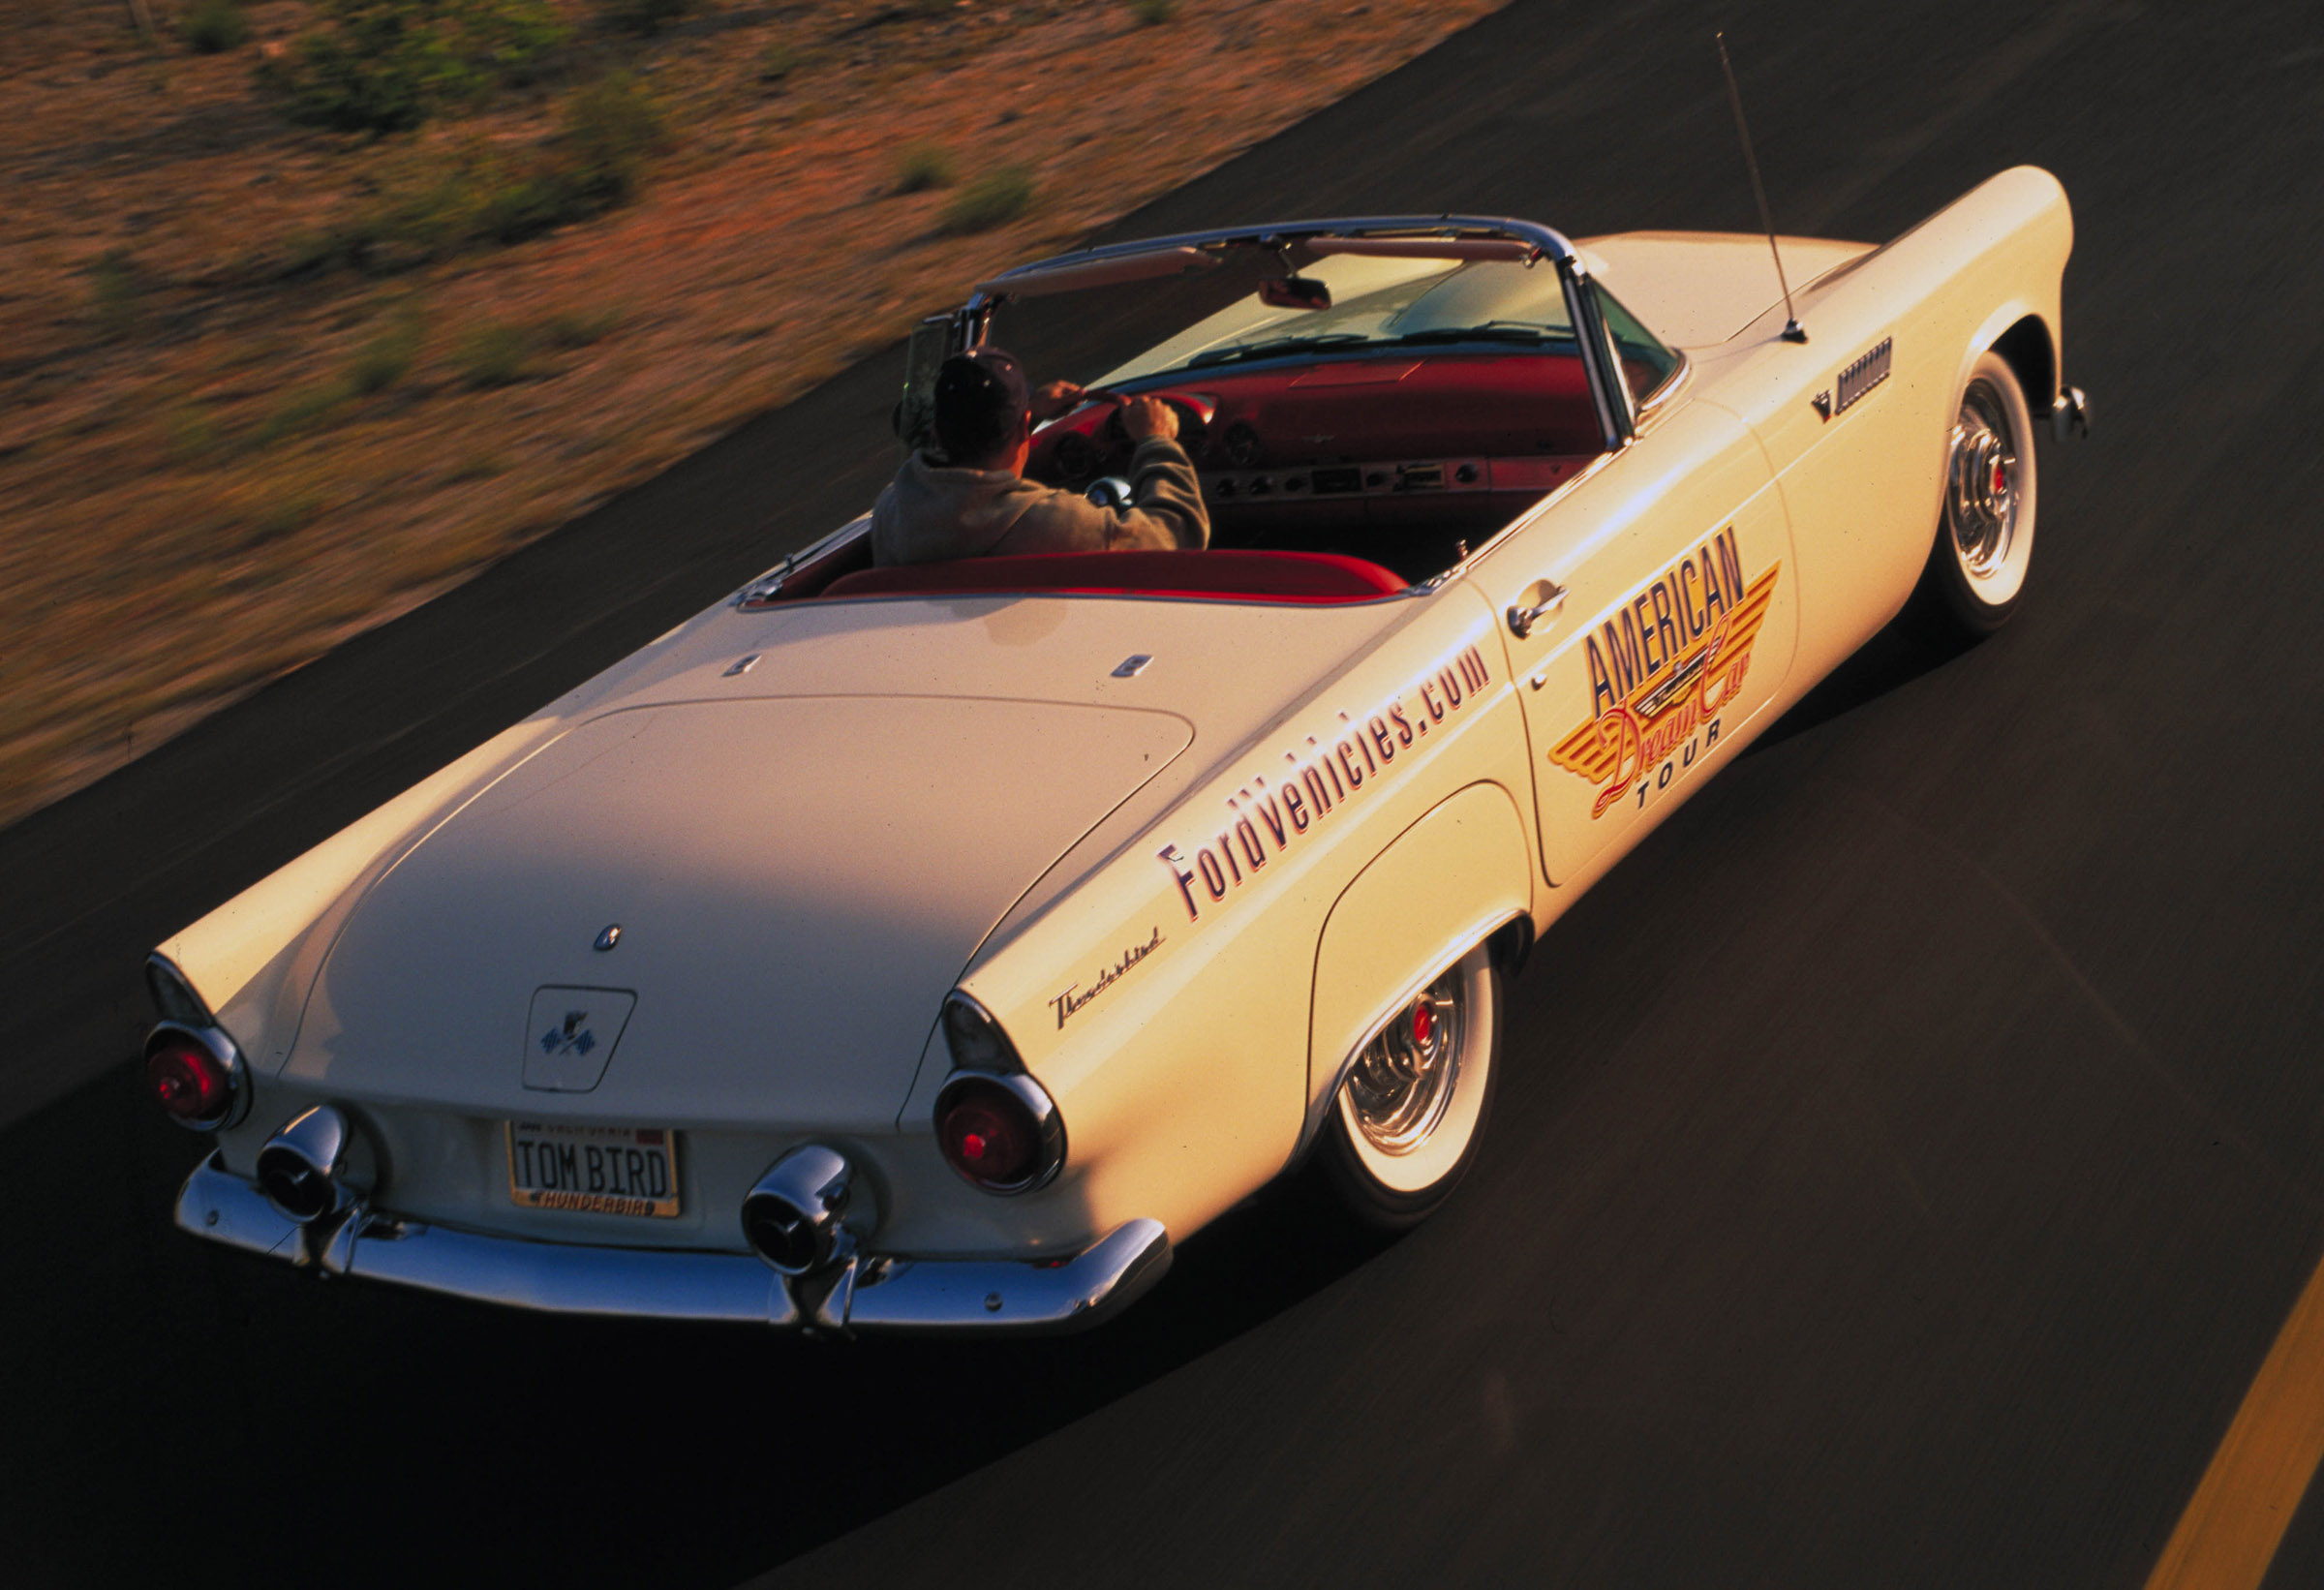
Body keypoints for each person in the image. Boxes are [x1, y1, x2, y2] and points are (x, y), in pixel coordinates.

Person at [871, 346, 1209, 566]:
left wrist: (1027, 413)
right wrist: (1157, 441)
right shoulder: (1053, 523)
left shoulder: (892, 512)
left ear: (937, 433)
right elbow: (1177, 538)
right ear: (1023, 430)